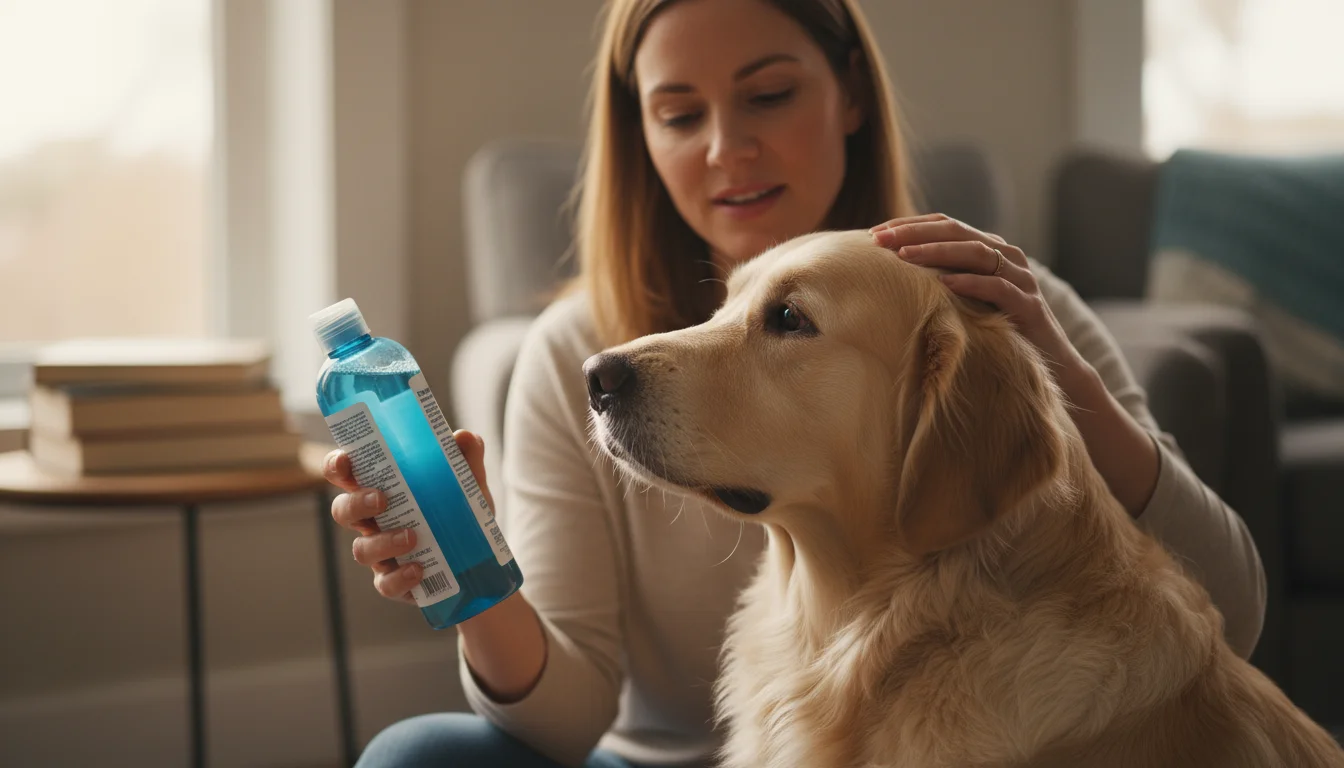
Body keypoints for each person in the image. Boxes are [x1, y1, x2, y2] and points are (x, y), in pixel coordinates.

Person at [326, 1, 1267, 766]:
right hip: (672, 760)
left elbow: (1232, 612)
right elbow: (565, 725)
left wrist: (1047, 376)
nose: (726, 148)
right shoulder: (583, 355)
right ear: (641, 137)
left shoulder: (999, 309)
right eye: (680, 113)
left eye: (768, 96)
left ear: (850, 93)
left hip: (950, 733)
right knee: (419, 759)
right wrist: (476, 581)